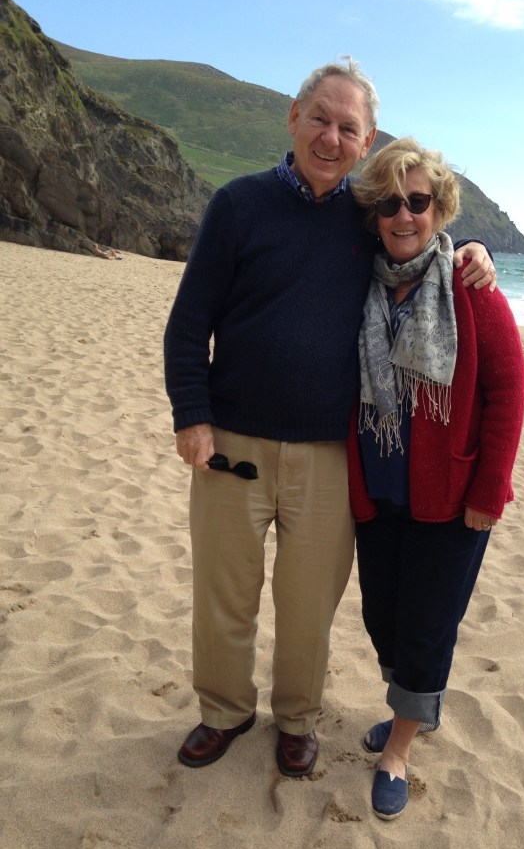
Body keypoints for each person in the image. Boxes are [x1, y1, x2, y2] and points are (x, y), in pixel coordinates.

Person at [163, 60, 496, 779]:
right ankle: (223, 711)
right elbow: (188, 323)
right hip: (231, 441)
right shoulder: (238, 205)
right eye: (320, 118)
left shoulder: (366, 217)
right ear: (294, 117)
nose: (331, 137)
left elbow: (424, 240)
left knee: (309, 604)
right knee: (224, 594)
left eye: (349, 127)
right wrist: (192, 415)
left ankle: (297, 720)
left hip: (328, 453)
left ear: (366, 140)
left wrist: (479, 250)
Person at [347, 137, 524, 819]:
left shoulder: (469, 288)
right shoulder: (359, 286)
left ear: (439, 209)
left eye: (417, 201)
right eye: (390, 203)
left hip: (452, 501)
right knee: (383, 620)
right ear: (374, 214)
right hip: (377, 494)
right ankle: (416, 707)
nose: (404, 215)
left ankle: (399, 746)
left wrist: (489, 492)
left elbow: (508, 393)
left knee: (425, 628)